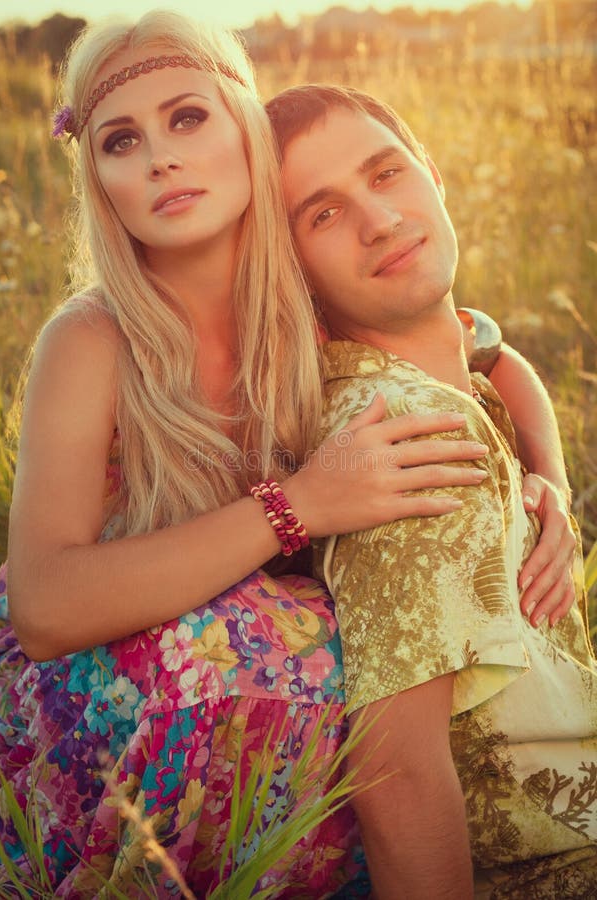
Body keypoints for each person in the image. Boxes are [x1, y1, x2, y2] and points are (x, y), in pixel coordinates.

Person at [0, 11, 576, 896]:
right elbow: (44, 606)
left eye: (187, 118)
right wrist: (296, 506)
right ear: (100, 180)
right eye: (122, 140)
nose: (160, 156)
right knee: (287, 650)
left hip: (245, 702)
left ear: (243, 129)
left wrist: (552, 483)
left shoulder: (304, 287)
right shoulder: (94, 339)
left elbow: (488, 347)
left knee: (328, 663)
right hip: (102, 698)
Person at [267, 83, 597, 898]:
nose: (378, 220)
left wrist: (551, 483)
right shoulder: (408, 441)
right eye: (323, 214)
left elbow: (492, 350)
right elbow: (397, 773)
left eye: (385, 175)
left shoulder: (446, 369)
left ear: (433, 176)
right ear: (292, 270)